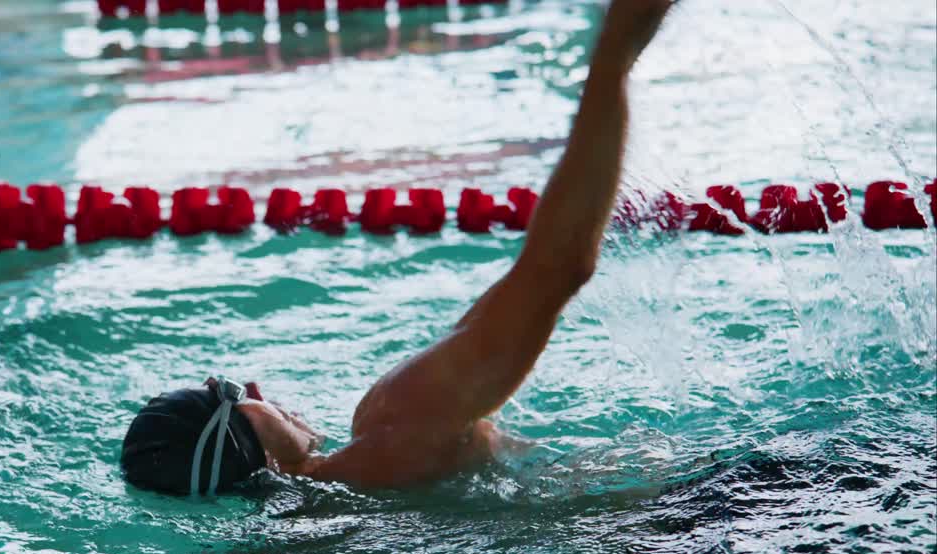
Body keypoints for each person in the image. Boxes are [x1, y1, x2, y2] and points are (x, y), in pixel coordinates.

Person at [121, 0, 674, 495]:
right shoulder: (396, 420)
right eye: (234, 394)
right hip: (688, 520)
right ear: (254, 452)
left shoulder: (308, 530)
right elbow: (558, 268)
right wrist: (614, 56)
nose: (256, 388)